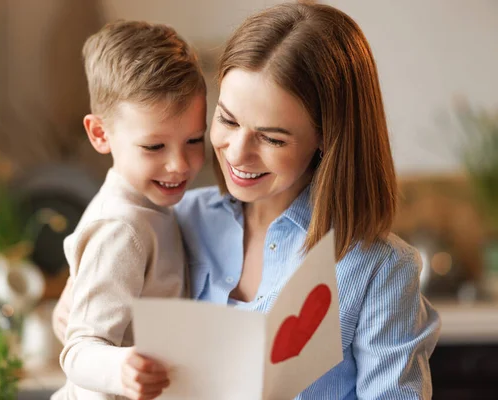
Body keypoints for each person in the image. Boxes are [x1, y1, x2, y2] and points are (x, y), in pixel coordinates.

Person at [54, 2, 441, 399]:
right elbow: (80, 328)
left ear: (328, 137)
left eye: (272, 138)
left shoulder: (379, 270)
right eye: (226, 119)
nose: (237, 153)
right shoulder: (173, 218)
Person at [51, 19, 207, 400]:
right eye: (155, 147)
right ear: (100, 134)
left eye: (194, 140)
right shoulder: (121, 227)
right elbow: (77, 351)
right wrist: (119, 367)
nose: (180, 165)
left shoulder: (152, 207)